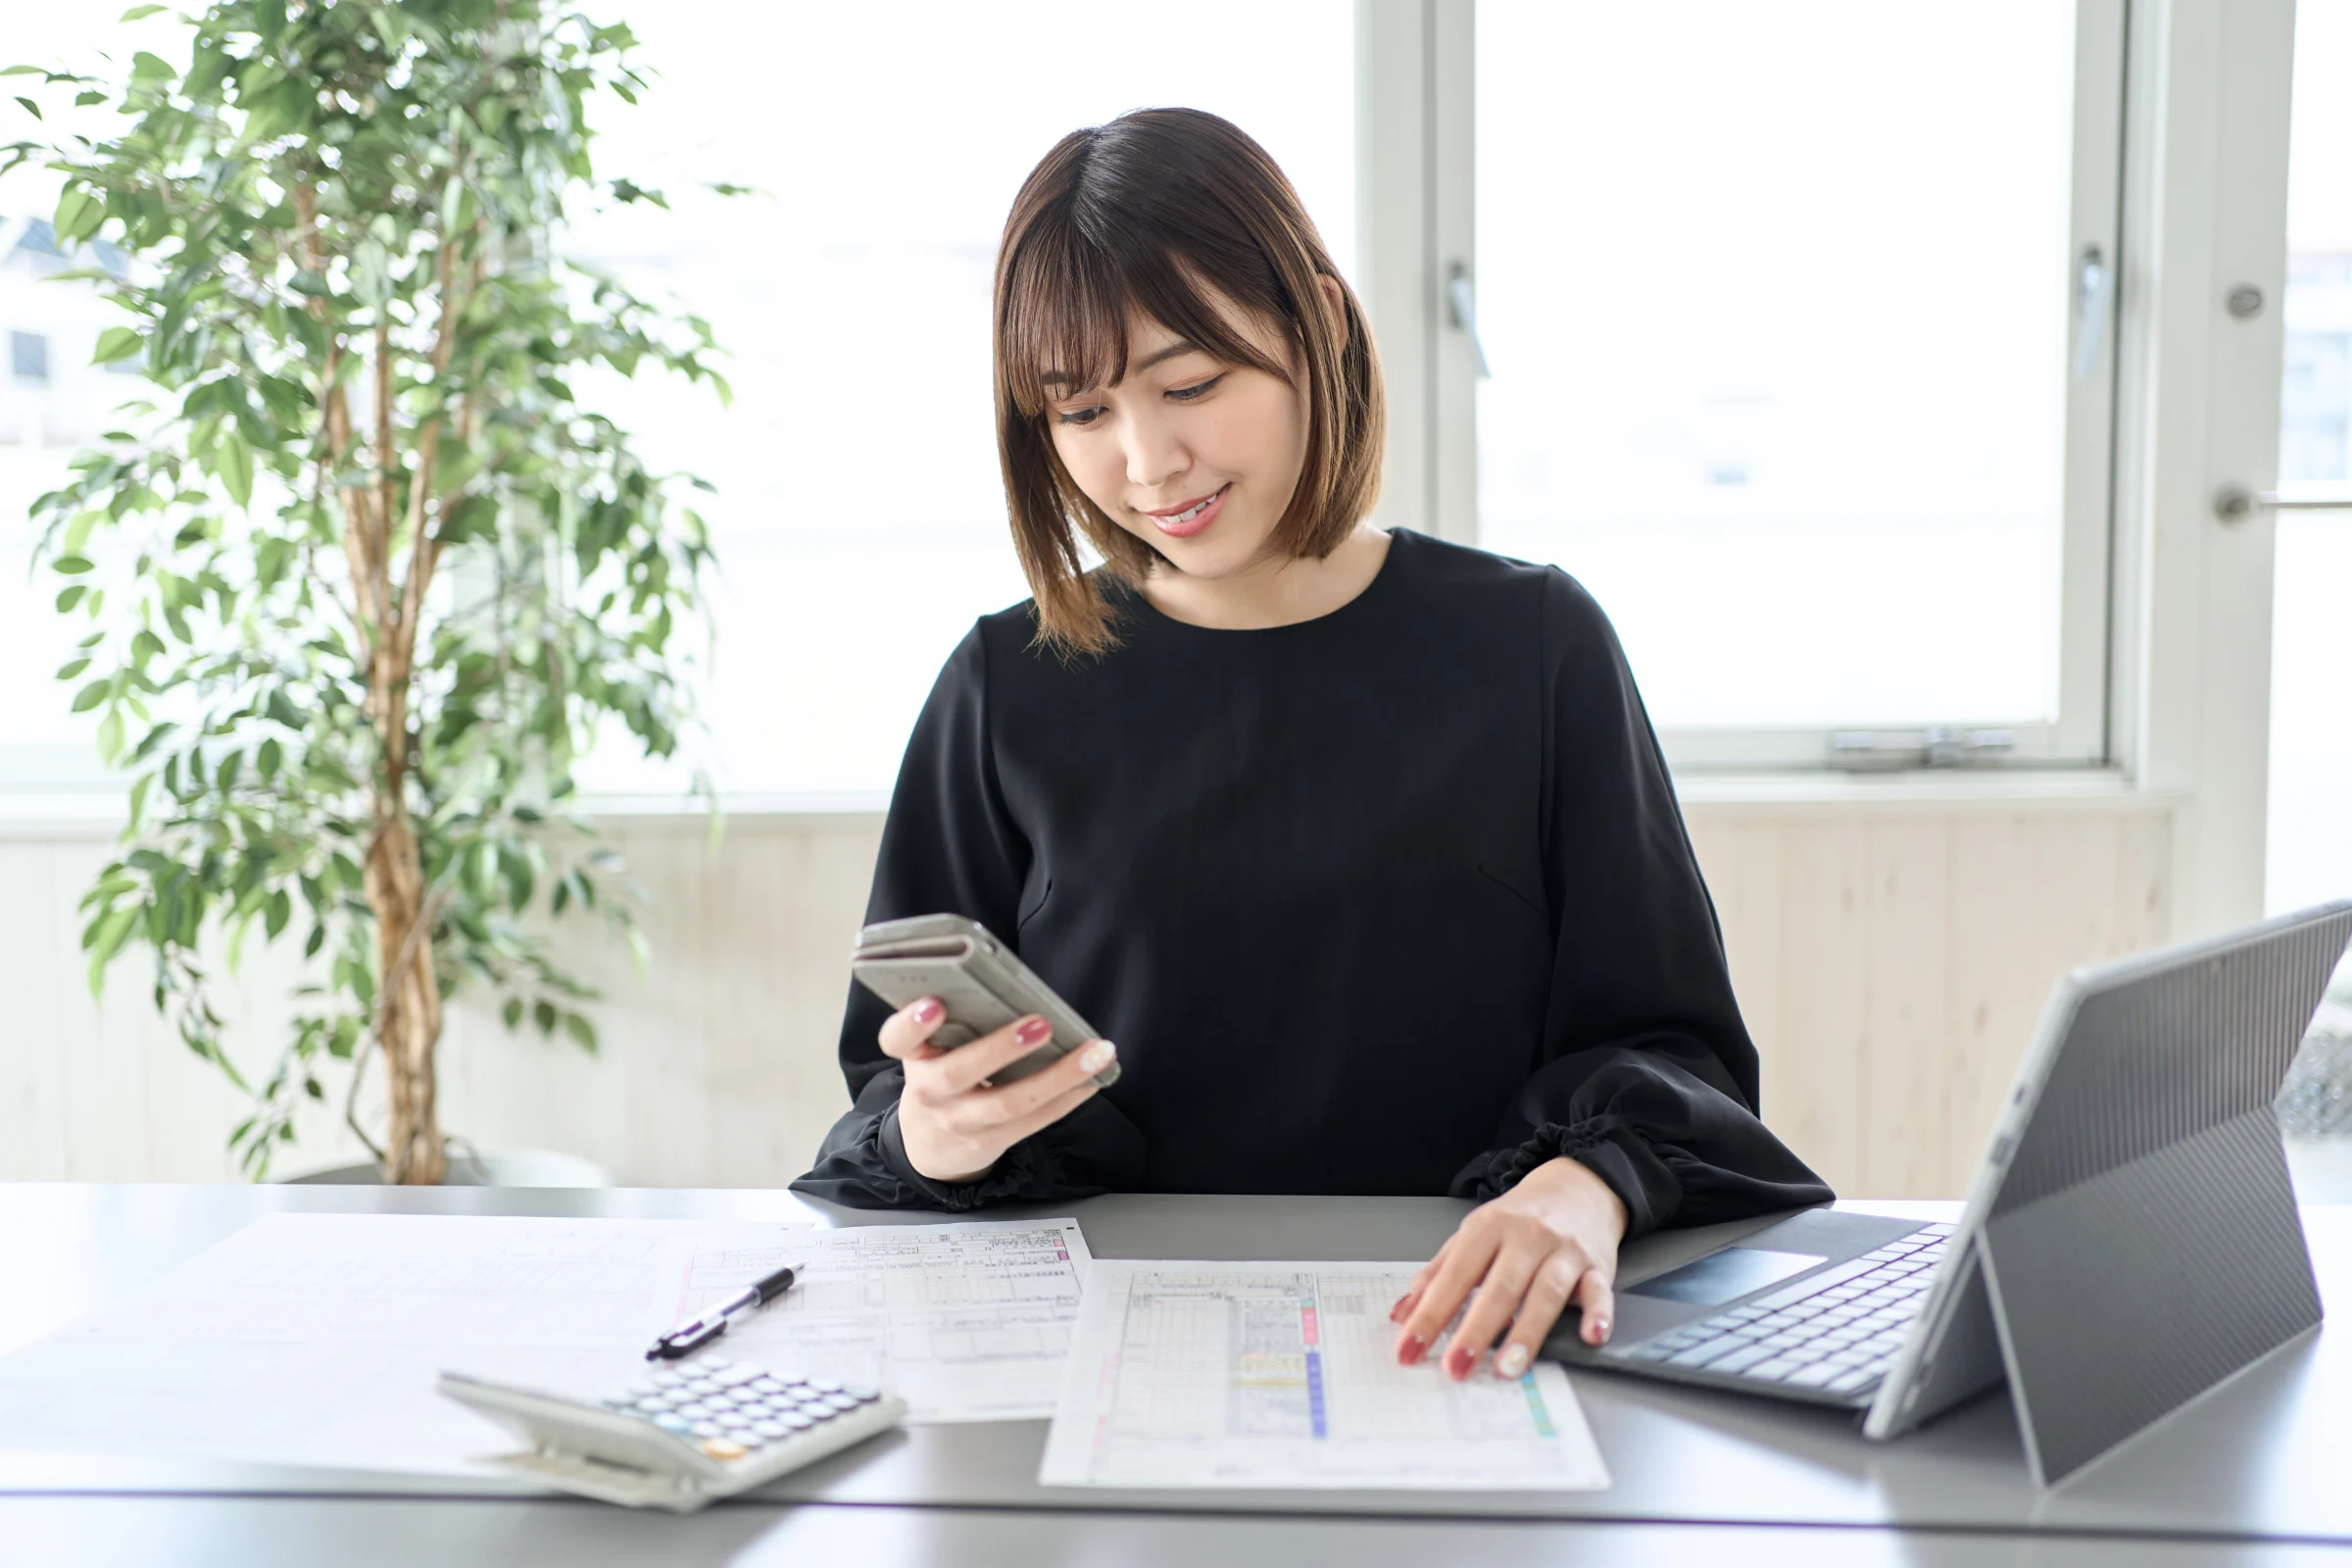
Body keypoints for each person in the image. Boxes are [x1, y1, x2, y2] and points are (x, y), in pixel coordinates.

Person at [794, 108, 1831, 1383]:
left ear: (1319, 331)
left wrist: (1586, 1185)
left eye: (1190, 384)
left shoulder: (1533, 647)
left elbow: (1679, 1056)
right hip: (1103, 1368)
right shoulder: (1007, 688)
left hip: (1471, 1344)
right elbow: (887, 1104)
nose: (1145, 460)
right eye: (1080, 411)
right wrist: (935, 1138)